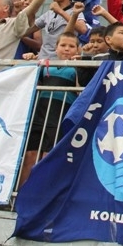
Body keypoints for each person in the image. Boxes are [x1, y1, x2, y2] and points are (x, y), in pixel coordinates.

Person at [19, 31, 80, 188]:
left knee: (48, 156)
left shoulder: (79, 68)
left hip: (59, 116)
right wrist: (30, 59)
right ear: (56, 48)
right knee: (30, 155)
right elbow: (26, 78)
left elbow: (81, 91)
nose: (67, 49)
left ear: (78, 49)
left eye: (71, 46)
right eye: (63, 45)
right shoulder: (45, 65)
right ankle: (21, 194)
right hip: (39, 114)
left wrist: (80, 66)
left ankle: (41, 194)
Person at [23, 0, 88, 60]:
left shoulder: (75, 11)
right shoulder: (48, 13)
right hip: (42, 59)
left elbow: (83, 29)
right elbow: (26, 30)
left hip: (62, 60)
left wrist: (60, 11)